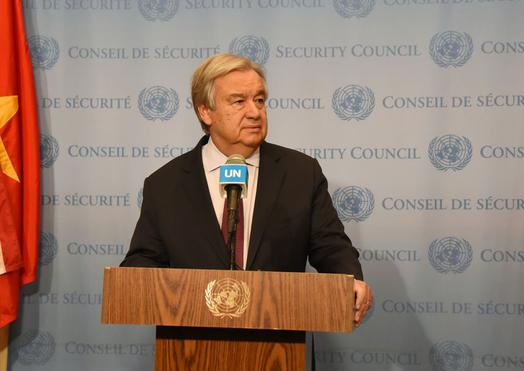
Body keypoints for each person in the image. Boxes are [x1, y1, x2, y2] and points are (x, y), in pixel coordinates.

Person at [121, 53, 372, 326]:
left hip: (279, 343)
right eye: (239, 101)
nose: (254, 112)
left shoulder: (300, 173)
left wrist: (351, 279)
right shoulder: (165, 184)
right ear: (205, 111)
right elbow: (143, 261)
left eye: (260, 100)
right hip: (192, 348)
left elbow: (331, 246)